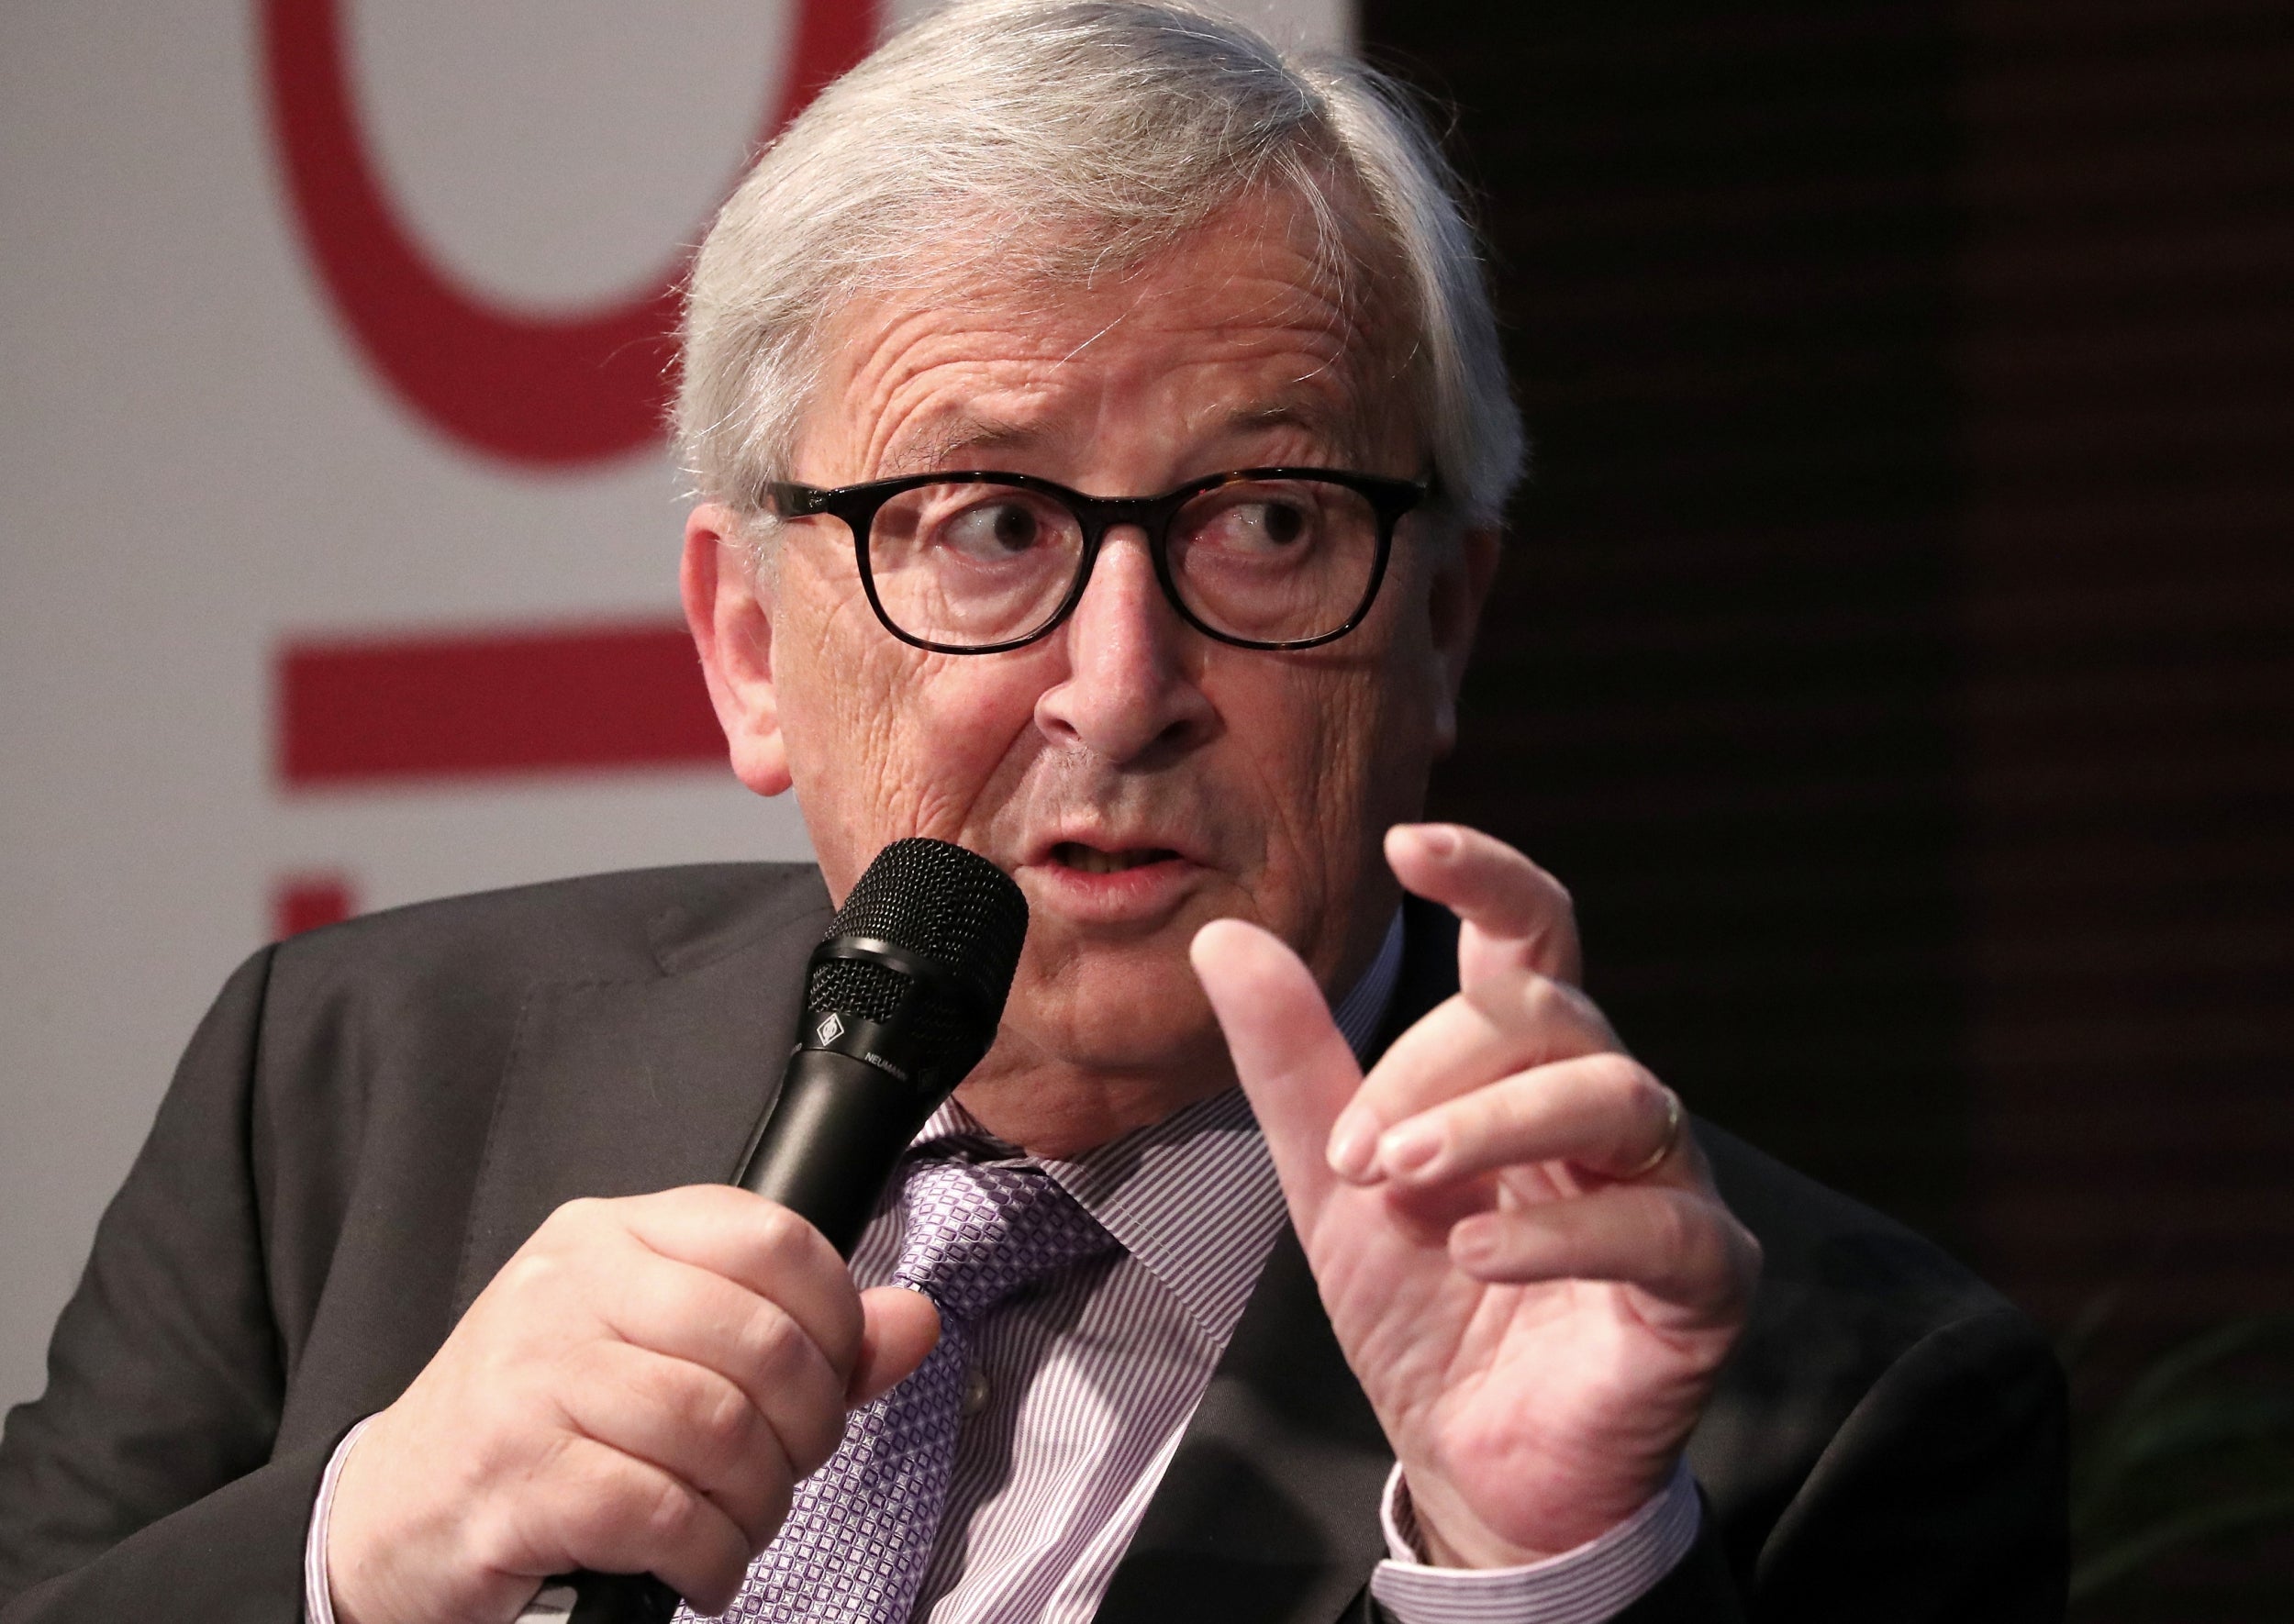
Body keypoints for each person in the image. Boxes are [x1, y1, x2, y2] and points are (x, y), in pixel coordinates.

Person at [0, 3, 2066, 1620]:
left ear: (1443, 627)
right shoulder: (353, 1087)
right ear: (743, 642)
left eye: (1263, 523)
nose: (1120, 682)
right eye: (983, 524)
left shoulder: (1829, 1397)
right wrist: (350, 1559)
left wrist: (1541, 1580)